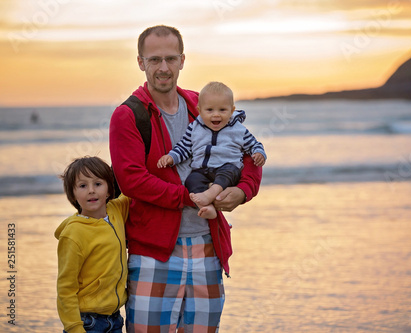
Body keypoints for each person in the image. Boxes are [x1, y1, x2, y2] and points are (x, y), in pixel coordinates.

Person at [109, 25, 262, 332]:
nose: (163, 68)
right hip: (154, 252)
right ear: (140, 62)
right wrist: (190, 198)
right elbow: (131, 179)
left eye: (170, 59)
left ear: (182, 60)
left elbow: (245, 151)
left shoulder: (203, 104)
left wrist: (244, 191)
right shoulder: (128, 115)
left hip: (208, 246)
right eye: (154, 60)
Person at [157, 81, 266, 220]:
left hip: (227, 168)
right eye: (209, 110)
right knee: (191, 180)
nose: (216, 115)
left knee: (229, 172)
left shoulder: (238, 130)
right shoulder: (195, 128)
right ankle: (206, 207)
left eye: (222, 110)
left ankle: (211, 193)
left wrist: (259, 154)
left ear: (232, 111)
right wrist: (171, 157)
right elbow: (184, 147)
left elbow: (254, 145)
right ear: (200, 110)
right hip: (202, 170)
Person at [55, 156, 130, 333]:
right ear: (72, 194)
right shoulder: (73, 235)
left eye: (98, 184)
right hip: (87, 323)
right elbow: (66, 288)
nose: (91, 191)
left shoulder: (116, 211)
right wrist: (74, 327)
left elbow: (133, 188)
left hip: (115, 319)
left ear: (109, 189)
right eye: (82, 186)